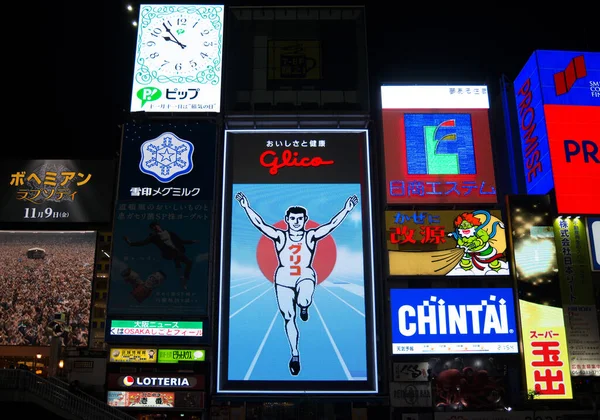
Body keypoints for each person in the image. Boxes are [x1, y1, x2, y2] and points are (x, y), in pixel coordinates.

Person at [235, 191, 358, 376]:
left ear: (305, 219)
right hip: (283, 279)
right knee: (288, 317)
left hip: (305, 275)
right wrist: (246, 207)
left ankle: (304, 306)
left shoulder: (310, 236)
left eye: (300, 219)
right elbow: (259, 224)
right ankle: (294, 354)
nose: (296, 222)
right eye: (293, 219)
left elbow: (331, 225)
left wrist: (346, 210)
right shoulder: (280, 236)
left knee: (304, 299)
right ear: (287, 219)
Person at [123, 222, 205, 290]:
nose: (155, 228)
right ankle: (182, 279)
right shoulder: (154, 237)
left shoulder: (169, 233)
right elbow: (142, 242)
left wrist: (192, 241)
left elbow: (180, 241)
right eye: (153, 228)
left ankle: (183, 279)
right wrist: (130, 243)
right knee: (179, 259)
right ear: (153, 229)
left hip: (177, 251)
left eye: (156, 226)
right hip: (169, 253)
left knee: (185, 262)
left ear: (159, 226)